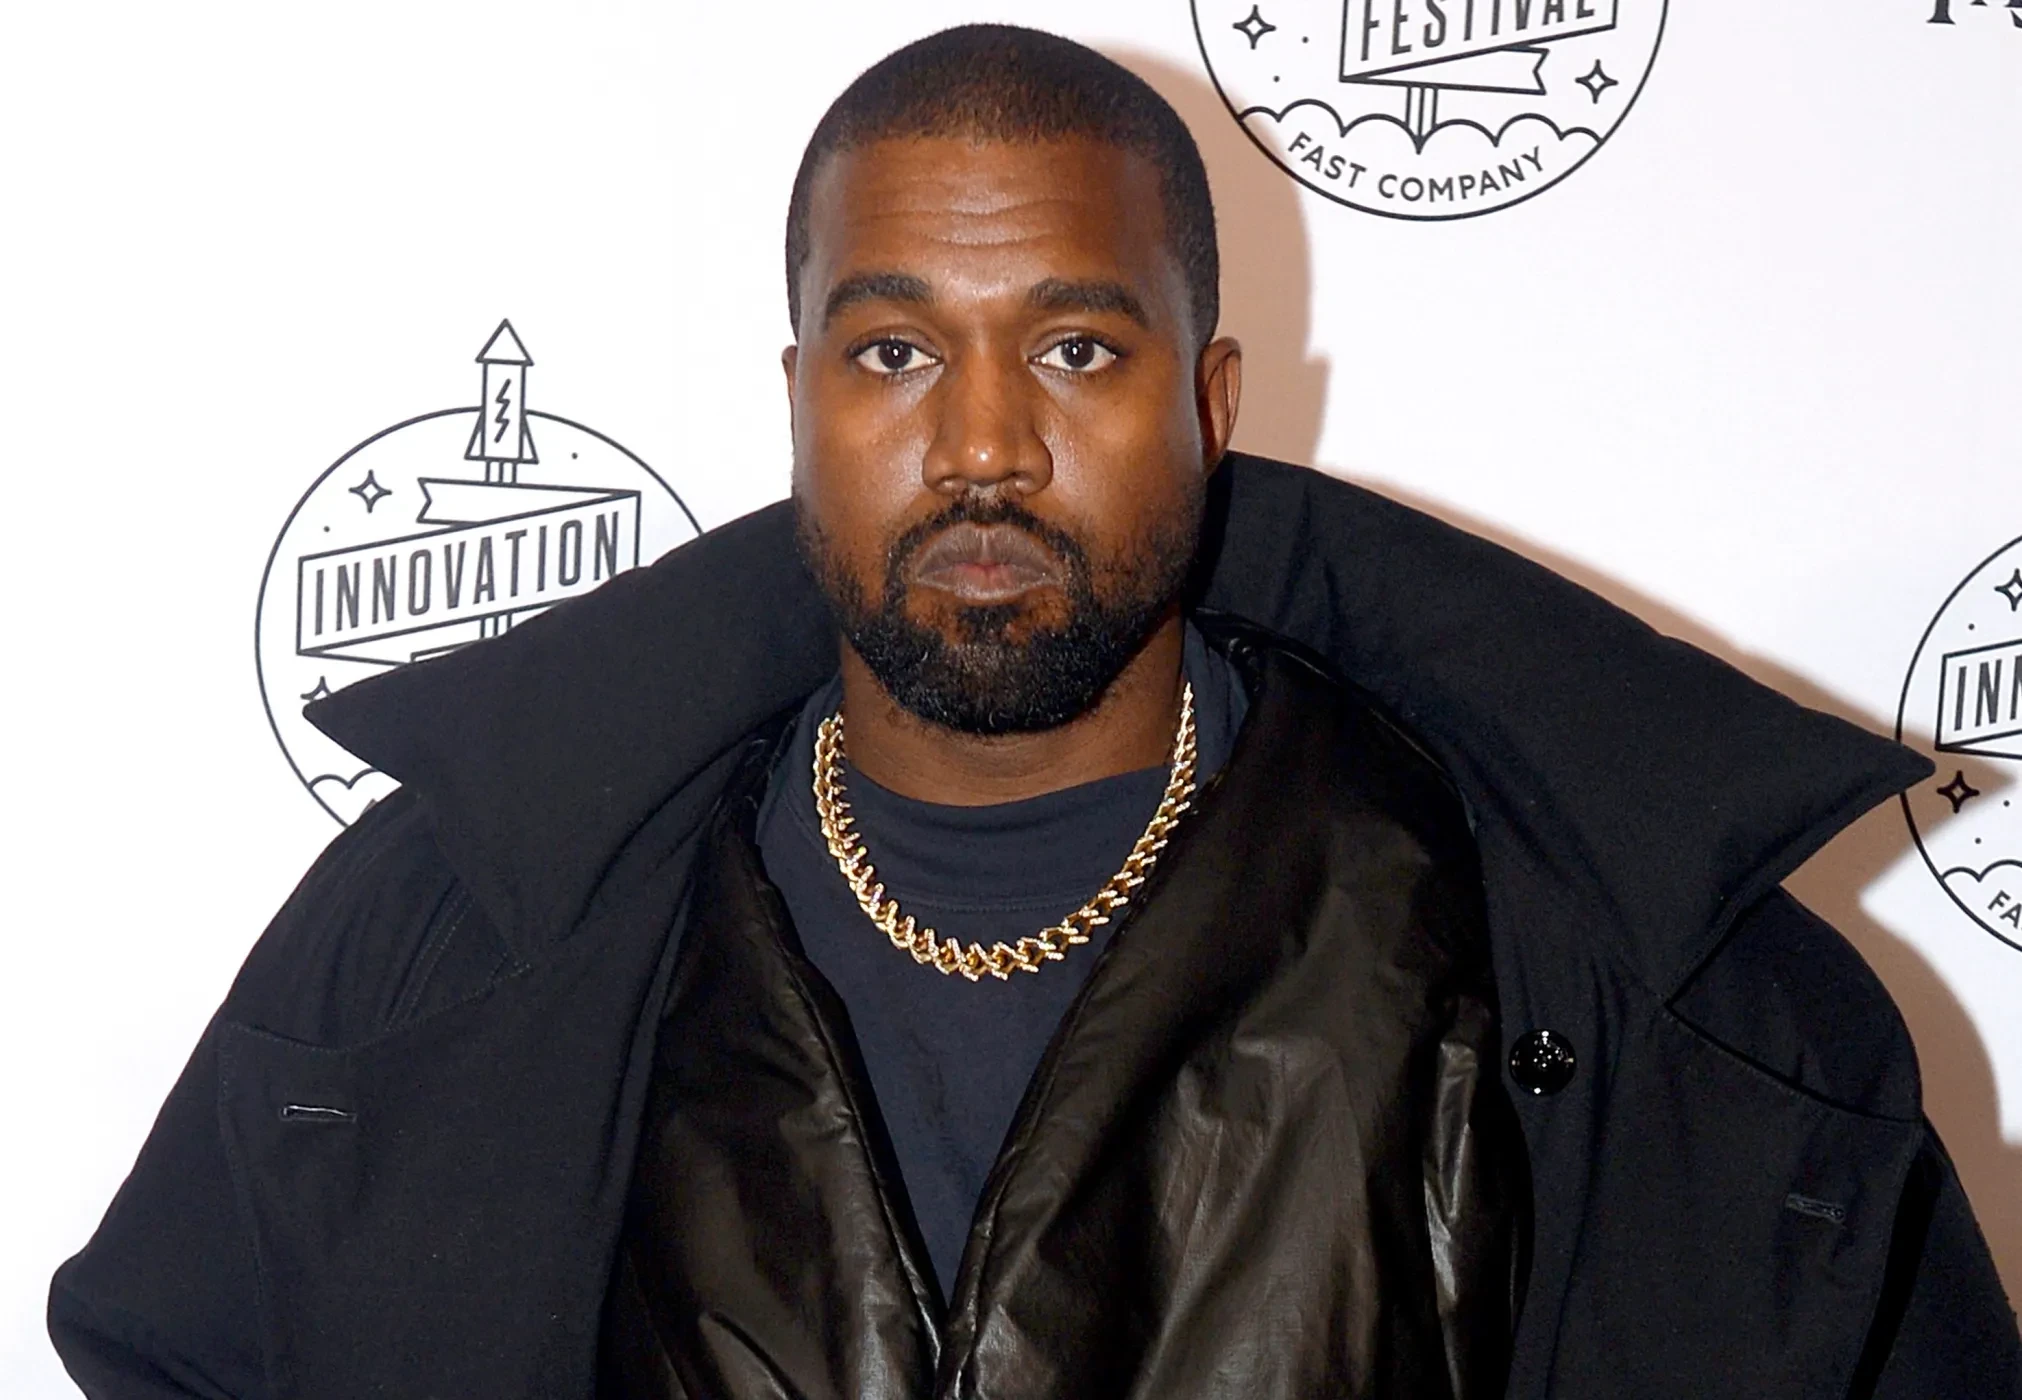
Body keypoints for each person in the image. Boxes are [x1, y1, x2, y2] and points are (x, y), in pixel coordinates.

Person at [50, 23, 2019, 1400]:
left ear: (1213, 401)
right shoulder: (440, 947)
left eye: (1076, 347)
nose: (982, 444)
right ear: (798, 397)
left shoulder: (1654, 998)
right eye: (893, 351)